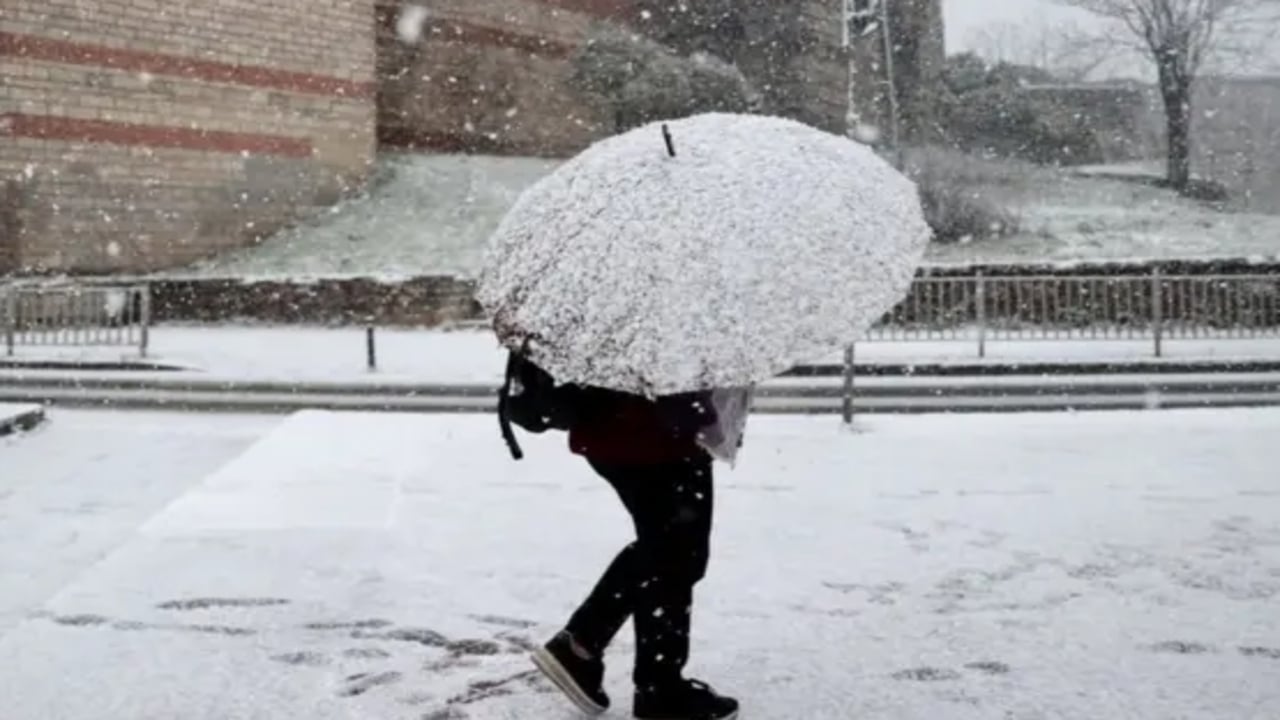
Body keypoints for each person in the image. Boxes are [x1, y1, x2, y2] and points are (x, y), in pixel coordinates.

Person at [531, 386, 739, 720]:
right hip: (654, 437)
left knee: (668, 550)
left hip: (623, 431)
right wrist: (707, 417)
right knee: (676, 555)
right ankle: (654, 686)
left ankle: (586, 649)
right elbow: (671, 375)